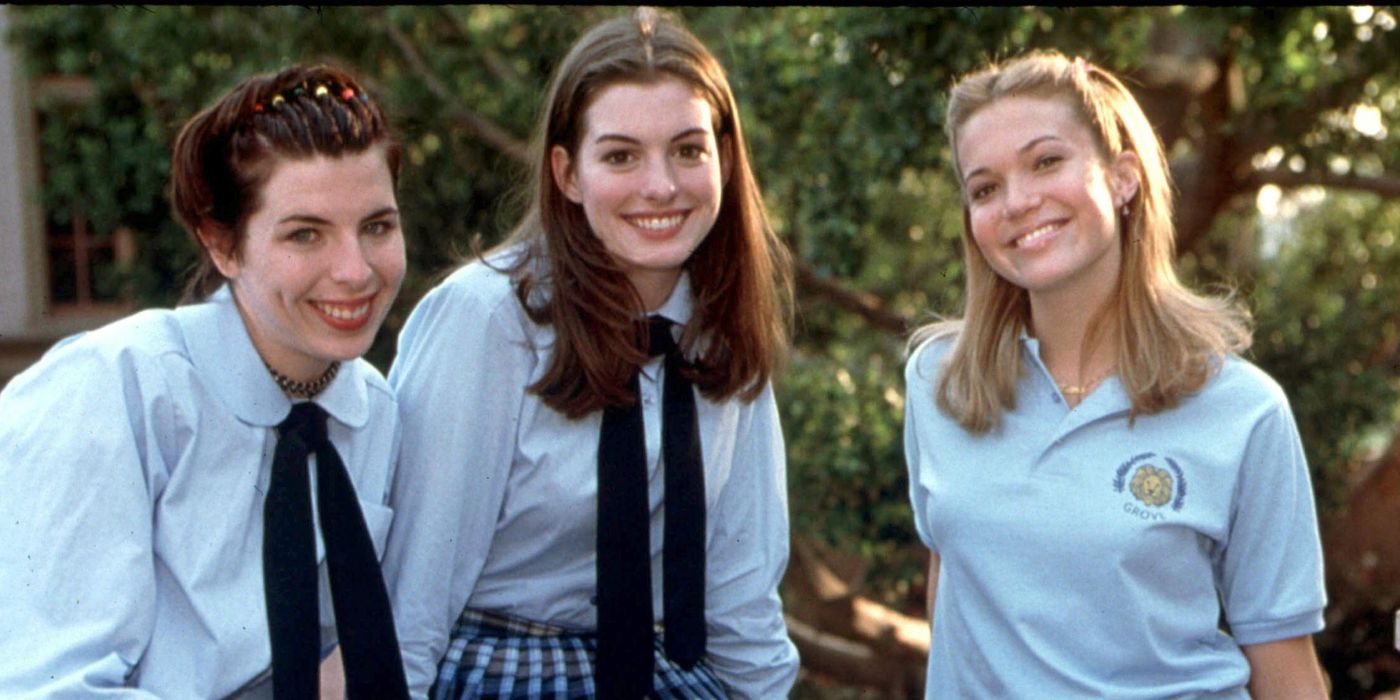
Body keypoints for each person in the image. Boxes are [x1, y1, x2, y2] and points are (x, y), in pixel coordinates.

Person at [384, 7, 799, 699]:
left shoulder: (719, 326)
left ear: (724, 161)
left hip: (660, 667)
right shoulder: (487, 321)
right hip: (497, 659)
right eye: (620, 155)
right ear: (567, 172)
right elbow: (412, 595)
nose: (660, 186)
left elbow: (740, 595)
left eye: (689, 150)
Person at [903, 51, 1328, 698]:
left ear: (1123, 177)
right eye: (984, 188)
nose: (1017, 202)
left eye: (1046, 161)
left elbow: (1286, 669)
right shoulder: (939, 381)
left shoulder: (1244, 411)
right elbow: (956, 582)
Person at [0, 64, 411, 698]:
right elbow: (50, 687)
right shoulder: (115, 390)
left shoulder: (371, 409)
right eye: (306, 234)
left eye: (377, 227)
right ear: (222, 245)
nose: (355, 271)